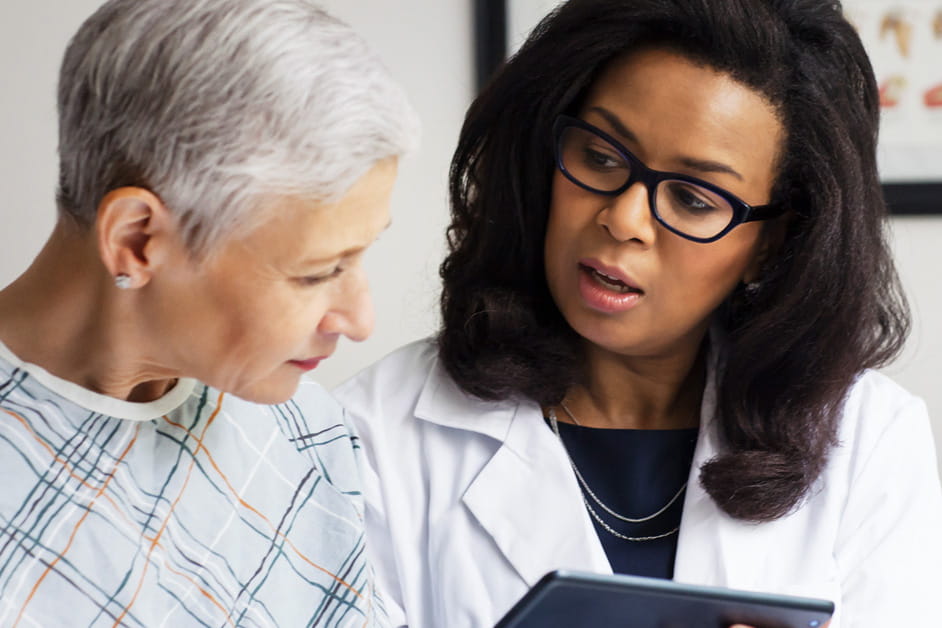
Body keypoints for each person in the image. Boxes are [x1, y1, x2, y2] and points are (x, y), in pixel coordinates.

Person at [334, 0, 942, 626]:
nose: (623, 219)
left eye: (693, 198)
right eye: (600, 157)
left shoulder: (869, 438)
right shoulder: (373, 431)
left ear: (773, 243)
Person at [0, 0, 418, 625]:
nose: (359, 320)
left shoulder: (307, 432)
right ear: (138, 240)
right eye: (316, 272)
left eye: (359, 257)